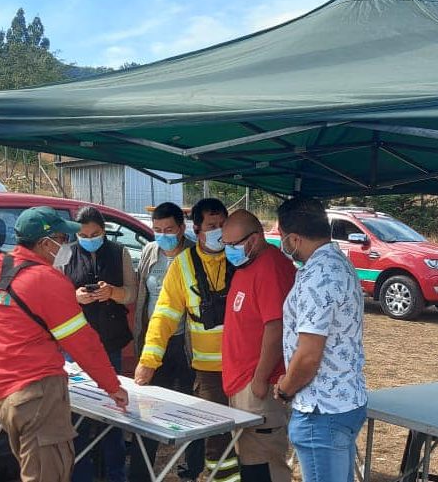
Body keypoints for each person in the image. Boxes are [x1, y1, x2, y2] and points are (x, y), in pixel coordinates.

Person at [0, 208, 128, 482]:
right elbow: (85, 345)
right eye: (62, 238)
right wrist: (113, 387)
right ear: (45, 243)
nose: (65, 246)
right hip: (38, 398)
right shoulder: (48, 281)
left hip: (3, 396)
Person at [134, 198, 240, 482]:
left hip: (245, 367)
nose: (219, 231)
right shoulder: (182, 265)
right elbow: (164, 317)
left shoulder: (239, 257)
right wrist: (148, 361)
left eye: (222, 226)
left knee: (248, 434)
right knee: (216, 437)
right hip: (208, 370)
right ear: (197, 228)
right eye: (212, 226)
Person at [272, 197, 367, 482]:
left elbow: (309, 355)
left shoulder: (318, 276)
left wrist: (286, 388)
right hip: (345, 400)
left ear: (294, 239)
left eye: (282, 238)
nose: (283, 246)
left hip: (320, 409)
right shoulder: (340, 263)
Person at [128, 202, 204, 482]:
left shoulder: (194, 255)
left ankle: (190, 470)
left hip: (185, 344)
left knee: (190, 407)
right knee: (147, 408)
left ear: (182, 229)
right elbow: (142, 295)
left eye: (169, 230)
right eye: (157, 230)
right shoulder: (150, 252)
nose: (163, 235)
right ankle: (140, 472)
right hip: (153, 343)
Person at [61, 206, 136, 482]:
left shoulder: (119, 252)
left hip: (110, 341)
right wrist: (75, 297)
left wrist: (112, 293)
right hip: (75, 344)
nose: (89, 238)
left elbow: (131, 293)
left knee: (114, 410)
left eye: (95, 234)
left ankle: (115, 474)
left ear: (104, 231)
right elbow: (55, 295)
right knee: (77, 414)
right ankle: (81, 474)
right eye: (83, 234)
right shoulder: (66, 253)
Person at [221, 210, 295, 482]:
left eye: (233, 244)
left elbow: (276, 327)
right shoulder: (247, 266)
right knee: (250, 463)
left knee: (264, 465)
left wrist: (261, 377)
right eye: (225, 244)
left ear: (253, 240)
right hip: (241, 381)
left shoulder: (270, 267)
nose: (228, 250)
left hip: (257, 384)